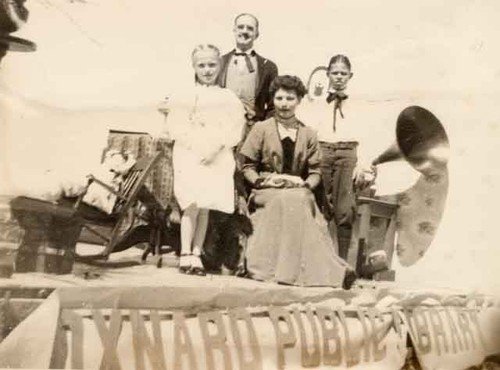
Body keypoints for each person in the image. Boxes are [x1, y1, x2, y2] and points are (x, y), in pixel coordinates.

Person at [239, 75, 356, 288]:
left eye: (290, 98)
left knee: (300, 198)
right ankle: (272, 269)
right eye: (279, 98)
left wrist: (305, 184)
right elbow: (247, 167)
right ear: (272, 100)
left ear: (299, 100)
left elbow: (315, 172)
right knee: (286, 199)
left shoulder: (308, 133)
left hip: (297, 188)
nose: (284, 104)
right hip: (267, 188)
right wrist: (260, 182)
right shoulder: (261, 128)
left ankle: (329, 271)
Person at [164, 44, 246, 275]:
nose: (207, 70)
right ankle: (185, 254)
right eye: (202, 65)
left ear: (219, 66)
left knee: (206, 206)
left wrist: (215, 148)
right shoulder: (185, 94)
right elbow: (177, 126)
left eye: (212, 65)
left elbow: (234, 127)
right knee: (190, 204)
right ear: (194, 67)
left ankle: (197, 254)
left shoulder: (227, 97)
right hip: (190, 153)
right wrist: (197, 147)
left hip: (217, 155)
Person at [297, 55, 377, 259]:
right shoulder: (316, 103)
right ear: (328, 75)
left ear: (350, 76)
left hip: (348, 154)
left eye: (343, 73)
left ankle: (341, 263)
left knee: (345, 210)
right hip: (323, 152)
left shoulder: (360, 104)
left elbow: (366, 135)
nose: (339, 77)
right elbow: (308, 132)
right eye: (335, 73)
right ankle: (316, 261)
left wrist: (363, 165)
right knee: (321, 205)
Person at [218, 13, 278, 138]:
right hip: (222, 128)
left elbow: (273, 106)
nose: (244, 31)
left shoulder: (268, 67)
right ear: (234, 30)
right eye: (241, 27)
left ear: (257, 34)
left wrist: (262, 131)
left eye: (250, 28)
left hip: (253, 132)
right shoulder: (219, 63)